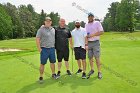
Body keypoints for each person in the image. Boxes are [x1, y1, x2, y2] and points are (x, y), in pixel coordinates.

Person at [36, 17, 56, 83]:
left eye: (49, 21)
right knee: (42, 63)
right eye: (47, 21)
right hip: (44, 49)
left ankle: (53, 74)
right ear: (44, 22)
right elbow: (37, 39)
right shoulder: (41, 30)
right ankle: (41, 77)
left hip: (52, 48)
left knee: (52, 62)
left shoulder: (53, 29)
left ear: (51, 22)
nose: (48, 22)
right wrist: (39, 48)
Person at [85, 13, 104, 79]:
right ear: (88, 17)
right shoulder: (86, 25)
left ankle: (99, 72)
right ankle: (92, 70)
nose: (90, 18)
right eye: (89, 17)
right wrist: (86, 44)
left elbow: (101, 32)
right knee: (90, 58)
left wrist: (92, 35)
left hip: (96, 42)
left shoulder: (97, 23)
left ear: (93, 17)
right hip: (89, 43)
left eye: (91, 16)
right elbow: (86, 35)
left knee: (97, 57)